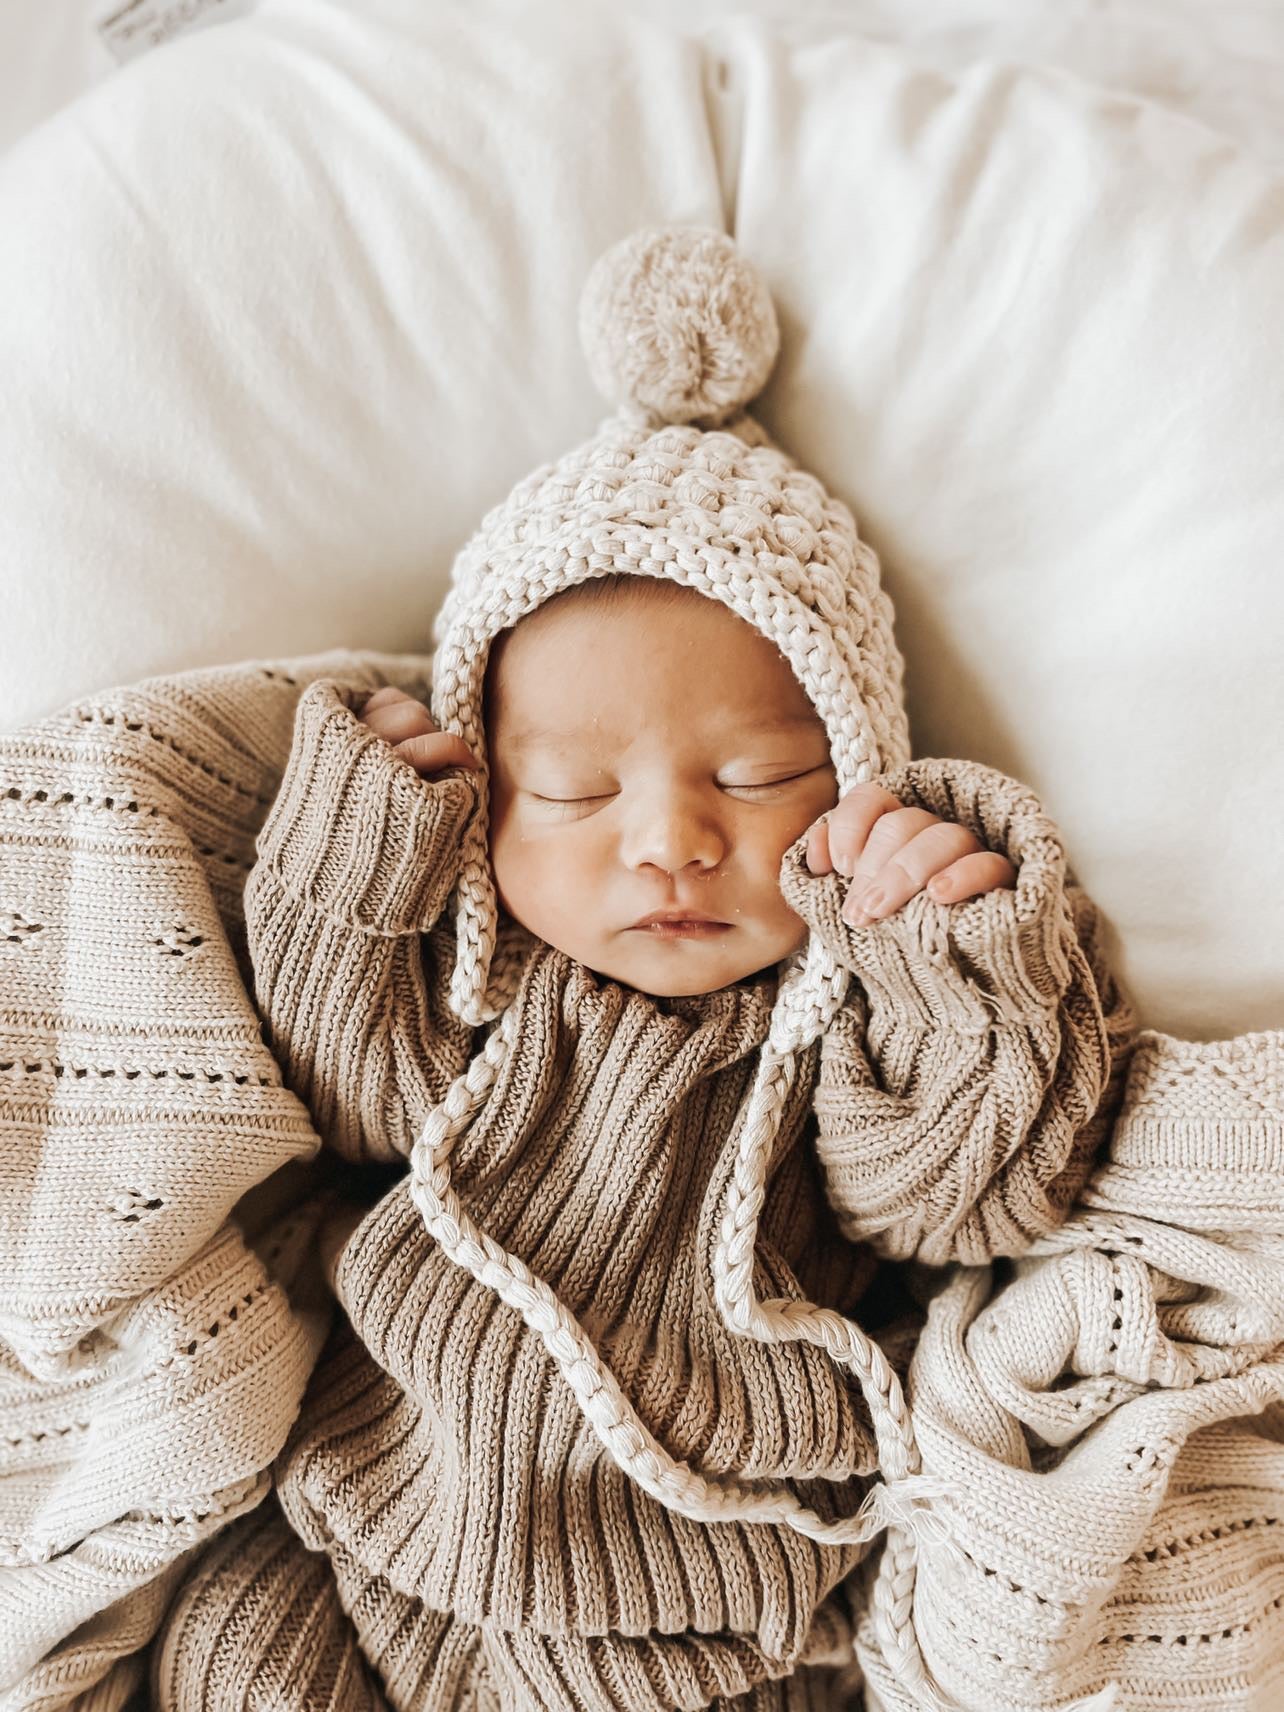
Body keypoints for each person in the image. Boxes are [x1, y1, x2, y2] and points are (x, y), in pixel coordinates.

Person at [153, 226, 1134, 1711]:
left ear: (859, 774)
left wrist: (945, 960)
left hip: (706, 1613)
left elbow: (962, 1201)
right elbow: (341, 1104)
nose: (670, 843)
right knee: (227, 1659)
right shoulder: (487, 997)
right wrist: (361, 866)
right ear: (484, 802)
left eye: (756, 775)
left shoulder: (828, 1033)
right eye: (575, 796)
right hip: (375, 1530)